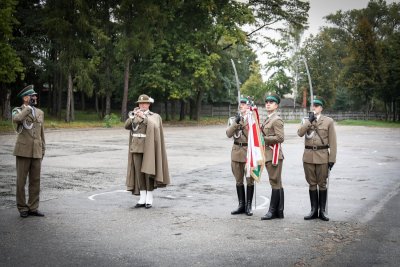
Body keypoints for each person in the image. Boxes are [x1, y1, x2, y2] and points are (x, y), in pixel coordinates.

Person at [125, 94, 170, 209]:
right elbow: (126, 126)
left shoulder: (154, 116)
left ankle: (149, 198)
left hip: (149, 148)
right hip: (136, 147)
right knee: (139, 174)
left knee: (148, 173)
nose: (142, 105)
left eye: (144, 103)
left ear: (149, 104)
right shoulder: (135, 115)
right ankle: (142, 197)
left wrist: (144, 118)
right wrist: (133, 116)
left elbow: (155, 127)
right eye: (140, 103)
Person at [297, 96, 337, 221]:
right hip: (308, 155)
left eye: (317, 105)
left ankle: (322, 211)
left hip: (322, 156)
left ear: (321, 108)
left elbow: (333, 142)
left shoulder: (328, 121)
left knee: (322, 183)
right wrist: (309, 121)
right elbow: (300, 133)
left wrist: (332, 159)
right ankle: (313, 210)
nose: (314, 107)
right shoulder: (306, 120)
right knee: (312, 183)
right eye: (313, 105)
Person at [12, 85, 46, 218]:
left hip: (36, 151)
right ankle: (22, 208)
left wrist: (43, 148)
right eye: (33, 96)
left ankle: (33, 207)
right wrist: (28, 109)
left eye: (35, 96)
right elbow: (17, 120)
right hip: (23, 151)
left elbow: (41, 133)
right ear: (26, 98)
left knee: (35, 180)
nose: (35, 97)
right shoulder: (17, 110)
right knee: (21, 181)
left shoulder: (40, 113)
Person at [226, 97, 254, 216]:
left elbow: (252, 137)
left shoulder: (252, 119)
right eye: (240, 104)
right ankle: (241, 205)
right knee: (238, 180)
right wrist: (236, 122)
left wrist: (243, 123)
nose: (241, 106)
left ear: (248, 106)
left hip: (248, 152)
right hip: (236, 151)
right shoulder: (233, 119)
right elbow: (228, 134)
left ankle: (248, 206)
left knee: (250, 181)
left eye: (244, 104)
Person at [260, 93, 285, 220]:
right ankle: (279, 211)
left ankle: (272, 211)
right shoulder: (267, 119)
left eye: (271, 102)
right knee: (276, 182)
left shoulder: (276, 119)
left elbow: (281, 138)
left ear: (276, 105)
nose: (268, 103)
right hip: (268, 154)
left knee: (274, 182)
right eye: (267, 101)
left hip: (274, 155)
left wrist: (264, 139)